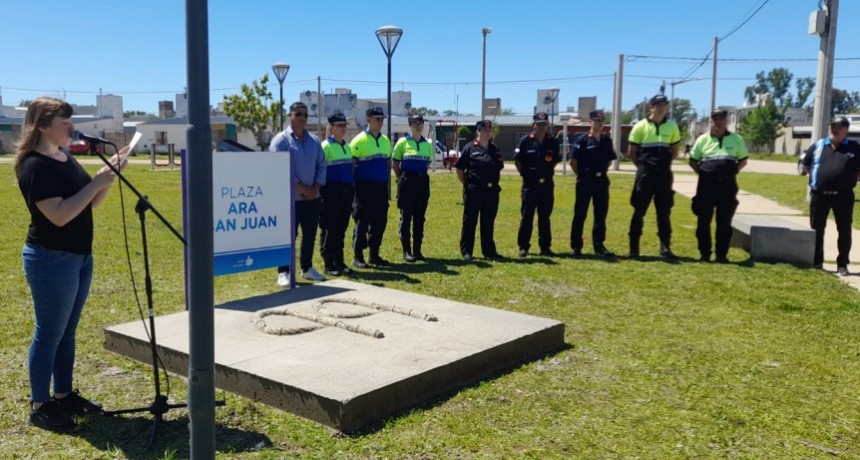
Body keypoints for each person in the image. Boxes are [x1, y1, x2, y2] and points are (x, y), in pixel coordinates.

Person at [15, 97, 129, 429]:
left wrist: (106, 178)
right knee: (49, 333)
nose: (72, 127)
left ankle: (63, 395)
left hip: (79, 256)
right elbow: (60, 215)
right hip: (50, 258)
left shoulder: (64, 156)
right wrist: (95, 183)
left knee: (67, 331)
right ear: (42, 126)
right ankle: (40, 405)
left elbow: (89, 202)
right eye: (64, 122)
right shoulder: (34, 165)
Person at [270, 102, 326, 285]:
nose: (302, 118)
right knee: (288, 237)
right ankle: (283, 272)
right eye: (298, 114)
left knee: (309, 235)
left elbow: (321, 165)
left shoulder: (314, 141)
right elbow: (280, 169)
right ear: (290, 116)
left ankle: (307, 268)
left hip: (312, 198)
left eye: (305, 115)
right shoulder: (280, 141)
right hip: (290, 200)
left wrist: (315, 189)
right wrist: (303, 189)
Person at [800, 116, 860, 274]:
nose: (834, 130)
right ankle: (817, 262)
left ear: (846, 130)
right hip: (819, 196)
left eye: (838, 127)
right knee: (817, 230)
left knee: (844, 230)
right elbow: (805, 165)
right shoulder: (819, 145)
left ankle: (842, 264)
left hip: (843, 196)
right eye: (832, 126)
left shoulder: (854, 148)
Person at [688, 109, 749, 263]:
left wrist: (733, 171)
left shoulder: (736, 139)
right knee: (703, 221)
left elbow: (743, 161)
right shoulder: (702, 139)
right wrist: (704, 174)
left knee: (724, 222)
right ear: (711, 121)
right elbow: (693, 161)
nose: (718, 122)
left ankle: (721, 255)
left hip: (727, 187)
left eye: (721, 119)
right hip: (706, 187)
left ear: (726, 121)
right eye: (715, 119)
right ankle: (704, 254)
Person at [627, 94, 682, 259]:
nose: (661, 107)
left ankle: (665, 247)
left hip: (664, 175)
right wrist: (643, 167)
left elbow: (675, 151)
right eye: (658, 104)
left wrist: (662, 165)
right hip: (645, 175)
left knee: (664, 212)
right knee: (639, 211)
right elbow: (631, 153)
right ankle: (634, 248)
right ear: (651, 107)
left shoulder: (672, 126)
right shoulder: (640, 126)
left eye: (664, 104)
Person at [570, 110, 617, 258]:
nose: (600, 123)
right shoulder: (582, 140)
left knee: (600, 214)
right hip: (585, 180)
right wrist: (582, 175)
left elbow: (609, 160)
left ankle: (599, 245)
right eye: (597, 121)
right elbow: (573, 162)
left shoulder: (606, 140)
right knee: (580, 214)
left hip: (601, 181)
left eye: (602, 121)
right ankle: (576, 246)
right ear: (590, 122)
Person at [349, 107, 392, 268]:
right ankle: (358, 256)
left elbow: (387, 163)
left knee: (380, 221)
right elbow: (352, 166)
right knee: (362, 221)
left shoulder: (385, 141)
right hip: (363, 188)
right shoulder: (359, 140)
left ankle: (374, 255)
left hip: (380, 188)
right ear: (368, 120)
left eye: (382, 119)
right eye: (377, 119)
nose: (380, 122)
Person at [514, 112, 561, 257]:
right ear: (533, 125)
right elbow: (518, 161)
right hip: (530, 185)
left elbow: (554, 162)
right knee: (527, 217)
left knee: (545, 217)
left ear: (548, 125)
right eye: (539, 124)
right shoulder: (525, 141)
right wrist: (526, 175)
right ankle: (523, 247)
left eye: (544, 124)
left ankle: (545, 247)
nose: (541, 127)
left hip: (546, 185)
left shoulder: (552, 141)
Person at [456, 120, 504, 261]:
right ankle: (467, 251)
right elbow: (460, 169)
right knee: (470, 222)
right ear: (478, 131)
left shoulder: (495, 149)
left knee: (488, 222)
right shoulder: (470, 148)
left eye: (489, 130)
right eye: (484, 130)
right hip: (474, 190)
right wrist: (467, 184)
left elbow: (499, 167)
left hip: (491, 191)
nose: (488, 132)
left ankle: (489, 252)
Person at [392, 114, 432, 262]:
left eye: (420, 123)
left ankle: (417, 250)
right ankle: (407, 251)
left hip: (422, 183)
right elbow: (395, 165)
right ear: (410, 125)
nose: (418, 125)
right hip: (407, 182)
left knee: (420, 218)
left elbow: (427, 164)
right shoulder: (402, 142)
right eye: (415, 123)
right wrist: (402, 179)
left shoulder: (427, 144)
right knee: (406, 217)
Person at [319, 112, 354, 276]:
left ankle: (339, 261)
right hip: (330, 193)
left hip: (346, 193)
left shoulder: (347, 146)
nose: (343, 128)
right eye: (339, 126)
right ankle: (328, 263)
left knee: (341, 228)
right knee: (330, 228)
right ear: (331, 127)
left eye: (344, 125)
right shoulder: (325, 146)